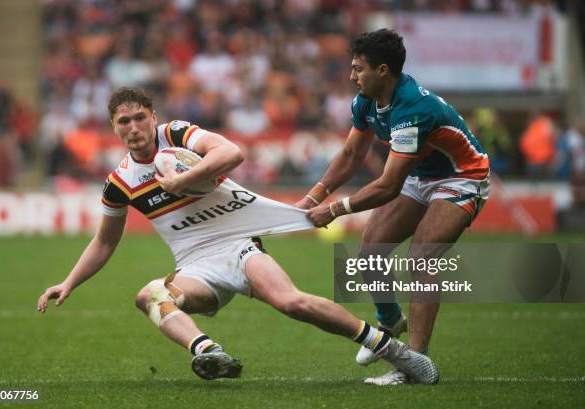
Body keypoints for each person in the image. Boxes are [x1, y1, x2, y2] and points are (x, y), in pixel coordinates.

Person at [37, 86, 438, 384]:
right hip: (195, 267)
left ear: (153, 116)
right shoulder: (120, 181)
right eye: (124, 122)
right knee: (150, 295)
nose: (134, 127)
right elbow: (105, 241)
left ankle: (395, 352)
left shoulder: (176, 136)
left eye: (140, 117)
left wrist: (182, 180)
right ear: (114, 128)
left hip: (240, 247)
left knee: (292, 302)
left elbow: (231, 153)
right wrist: (68, 282)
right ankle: (209, 353)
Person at [296, 29, 490, 386]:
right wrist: (313, 196)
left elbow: (387, 186)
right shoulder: (367, 100)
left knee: (422, 256)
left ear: (382, 70)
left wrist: (334, 210)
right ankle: (389, 321)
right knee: (371, 251)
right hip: (421, 174)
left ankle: (415, 363)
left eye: (358, 69)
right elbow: (352, 153)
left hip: (462, 176)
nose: (352, 76)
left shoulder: (412, 106)